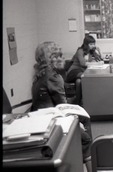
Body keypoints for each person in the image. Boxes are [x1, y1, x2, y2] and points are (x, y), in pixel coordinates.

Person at [31, 41, 92, 172]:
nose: (61, 58)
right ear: (49, 59)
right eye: (57, 55)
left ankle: (82, 158)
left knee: (85, 119)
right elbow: (62, 106)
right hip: (51, 121)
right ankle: (87, 164)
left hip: (41, 116)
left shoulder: (39, 73)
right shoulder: (53, 77)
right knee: (86, 138)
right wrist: (75, 121)